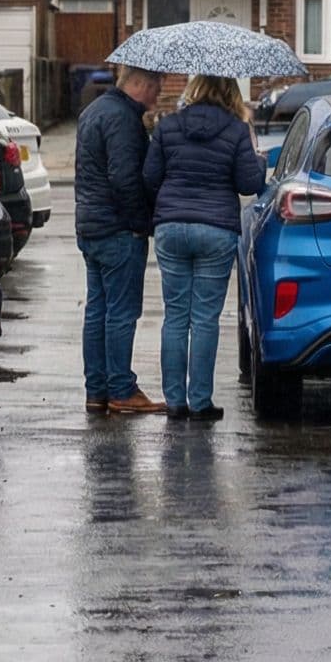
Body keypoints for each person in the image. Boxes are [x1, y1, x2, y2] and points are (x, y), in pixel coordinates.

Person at [141, 74, 266, 421]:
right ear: (230, 93)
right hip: (215, 229)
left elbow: (150, 178)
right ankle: (199, 402)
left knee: (175, 315)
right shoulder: (237, 129)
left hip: (171, 226)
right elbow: (249, 183)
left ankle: (174, 402)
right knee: (205, 318)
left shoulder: (168, 126)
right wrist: (258, 159)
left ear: (194, 90)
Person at [73, 63, 168, 416]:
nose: (158, 94)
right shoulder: (124, 120)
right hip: (118, 229)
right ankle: (121, 389)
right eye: (156, 87)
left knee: (97, 310)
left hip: (91, 226)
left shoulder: (93, 111)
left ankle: (96, 390)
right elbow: (125, 179)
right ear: (138, 83)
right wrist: (141, 223)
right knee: (122, 312)